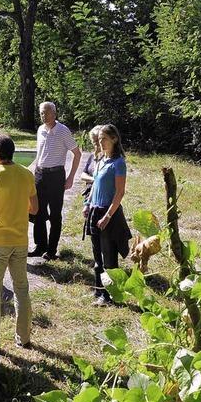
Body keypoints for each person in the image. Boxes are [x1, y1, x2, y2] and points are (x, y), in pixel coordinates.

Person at [0, 134, 38, 348]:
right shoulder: (26, 174)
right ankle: (23, 338)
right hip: (20, 240)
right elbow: (35, 209)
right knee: (21, 289)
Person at [83, 124, 132, 306]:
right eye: (100, 139)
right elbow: (95, 185)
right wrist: (87, 204)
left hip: (108, 213)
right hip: (95, 210)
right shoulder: (101, 160)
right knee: (97, 256)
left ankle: (111, 296)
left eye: (104, 139)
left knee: (109, 257)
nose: (101, 142)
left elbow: (119, 193)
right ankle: (99, 292)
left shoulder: (118, 163)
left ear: (114, 139)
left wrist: (108, 216)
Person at [29, 101, 82, 261]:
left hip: (56, 176)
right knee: (38, 211)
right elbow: (39, 154)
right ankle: (40, 246)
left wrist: (71, 177)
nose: (43, 116)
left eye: (46, 112)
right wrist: (33, 173)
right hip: (40, 175)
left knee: (55, 214)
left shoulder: (63, 130)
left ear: (54, 113)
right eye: (41, 113)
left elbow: (77, 154)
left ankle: (51, 250)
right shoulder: (40, 130)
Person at [80, 125, 103, 201]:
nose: (96, 144)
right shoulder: (92, 156)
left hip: (102, 195)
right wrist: (93, 179)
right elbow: (83, 175)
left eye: (98, 140)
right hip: (89, 194)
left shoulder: (109, 158)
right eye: (94, 141)